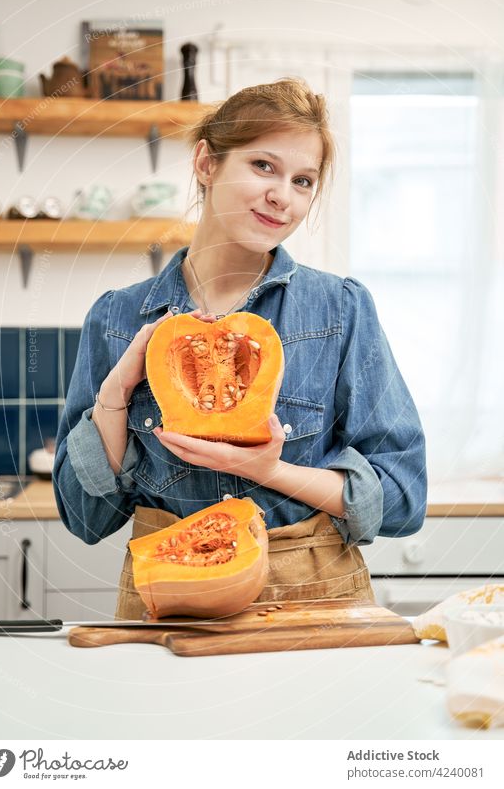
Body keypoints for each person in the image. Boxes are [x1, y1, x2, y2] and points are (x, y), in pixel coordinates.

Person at [53, 77, 427, 619]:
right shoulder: (115, 318)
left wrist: (271, 472)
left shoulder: (341, 310)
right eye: (263, 166)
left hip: (313, 598)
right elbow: (85, 518)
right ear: (207, 163)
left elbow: (402, 497)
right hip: (169, 599)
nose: (284, 197)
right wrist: (115, 393)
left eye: (304, 180)